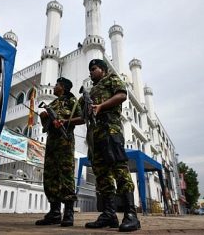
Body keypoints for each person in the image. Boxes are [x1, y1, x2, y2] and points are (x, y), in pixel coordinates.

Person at [83, 59, 140, 232]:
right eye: (90, 70)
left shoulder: (111, 79)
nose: (91, 72)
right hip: (95, 135)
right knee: (102, 176)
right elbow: (85, 115)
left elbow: (122, 95)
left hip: (110, 131)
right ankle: (109, 214)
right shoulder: (92, 90)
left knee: (119, 169)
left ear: (103, 69)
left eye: (94, 69)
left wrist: (101, 106)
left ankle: (131, 215)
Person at [36, 77, 83, 227]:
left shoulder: (72, 100)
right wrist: (45, 117)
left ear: (62, 87)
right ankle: (54, 212)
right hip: (52, 142)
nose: (54, 87)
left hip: (65, 141)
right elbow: (47, 125)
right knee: (50, 175)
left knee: (66, 174)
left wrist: (65, 121)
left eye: (56, 85)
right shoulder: (53, 103)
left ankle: (68, 213)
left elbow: (82, 118)